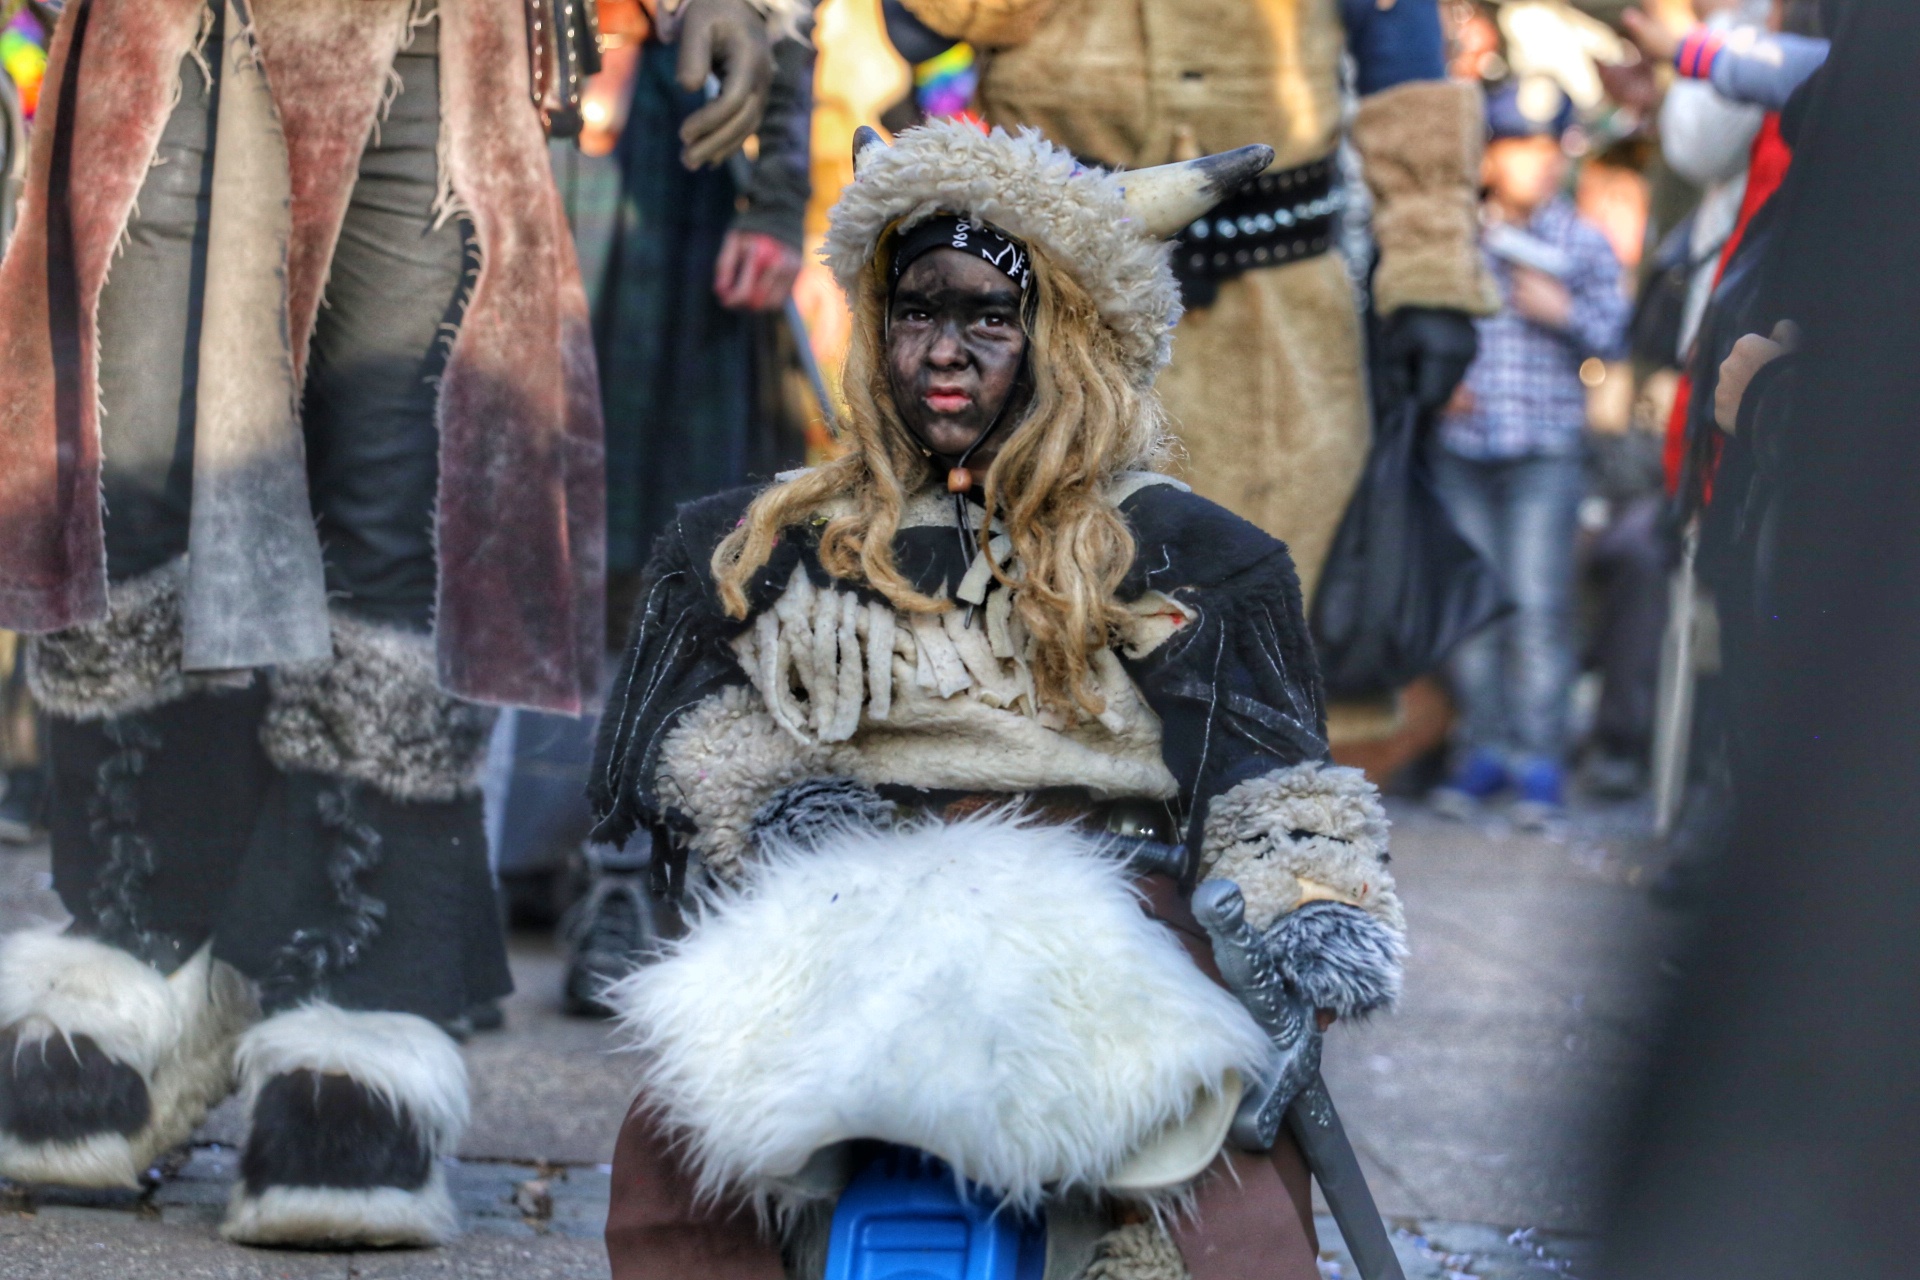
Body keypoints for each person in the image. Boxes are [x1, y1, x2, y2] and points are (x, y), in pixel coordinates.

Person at [0, 0, 791, 1249]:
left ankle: (354, 1001)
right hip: (155, 28)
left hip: (437, 36)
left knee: (402, 491)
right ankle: (141, 949)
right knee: (132, 478)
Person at [589, 121, 1406, 1280]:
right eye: (918, 311)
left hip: (1119, 914)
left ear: (1064, 332)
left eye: (990, 316)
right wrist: (782, 810)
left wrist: (1297, 924)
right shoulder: (762, 543)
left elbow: (1274, 787)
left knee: (1228, 1205)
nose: (945, 352)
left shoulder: (1187, 550)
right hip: (840, 905)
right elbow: (684, 738)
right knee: (681, 1162)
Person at [882, 0, 1494, 608]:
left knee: (1286, 606)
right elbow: (932, 25)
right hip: (1052, 322)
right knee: (1047, 604)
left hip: (1285, 340)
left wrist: (1430, 271)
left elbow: (1404, 58)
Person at [565, 11, 817, 1014]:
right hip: (536, 126)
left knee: (691, 544)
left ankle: (629, 873)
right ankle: (497, 876)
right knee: (530, 520)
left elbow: (789, 15)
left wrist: (779, 193)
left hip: (685, 149)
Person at [1429, 80, 1630, 825]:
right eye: (1522, 145)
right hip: (1463, 447)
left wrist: (1564, 311)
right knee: (1475, 605)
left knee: (1538, 604)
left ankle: (1539, 762)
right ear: (1492, 152)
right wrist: (1437, 381)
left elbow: (1615, 334)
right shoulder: (1453, 236)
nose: (1539, 163)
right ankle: (1481, 751)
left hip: (1544, 449)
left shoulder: (1579, 239)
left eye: (1551, 148)